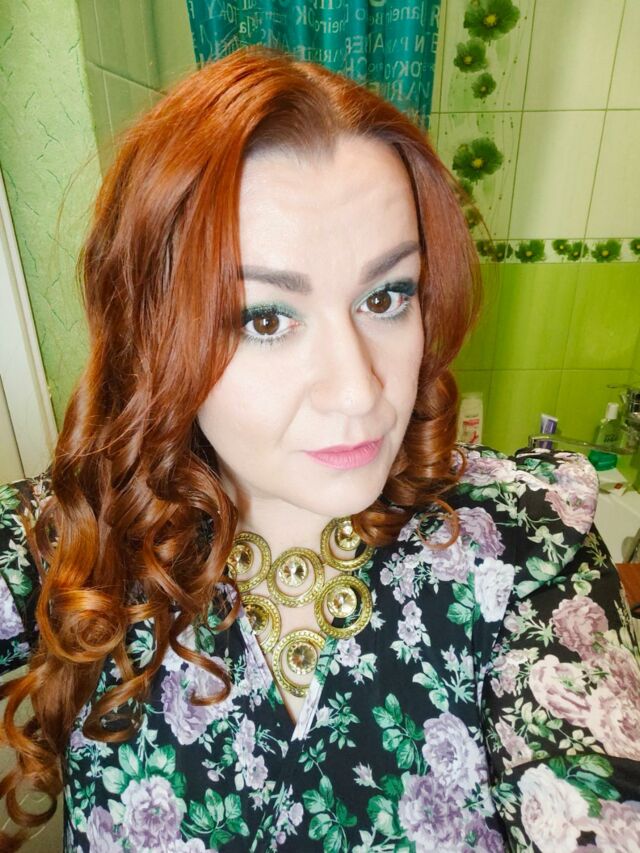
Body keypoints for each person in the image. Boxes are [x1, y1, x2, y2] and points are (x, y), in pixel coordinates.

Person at [0, 44, 639, 853]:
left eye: (387, 295)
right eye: (266, 318)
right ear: (158, 336)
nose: (358, 389)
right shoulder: (84, 534)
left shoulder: (526, 547)